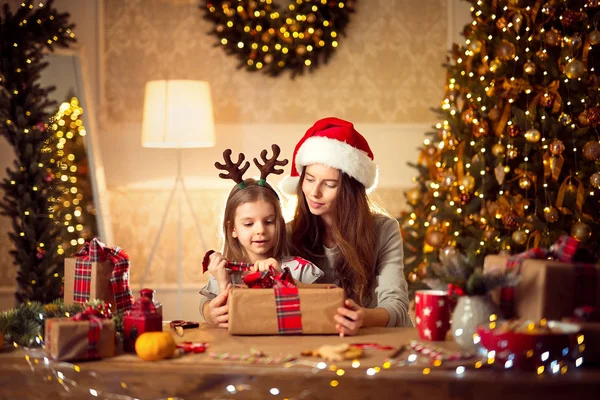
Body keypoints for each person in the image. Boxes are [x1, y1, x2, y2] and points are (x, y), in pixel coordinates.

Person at [279, 117, 413, 336]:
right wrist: (209, 309)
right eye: (310, 179)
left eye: (329, 184)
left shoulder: (384, 230)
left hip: (378, 342)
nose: (315, 192)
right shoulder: (288, 234)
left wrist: (364, 317)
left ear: (350, 191)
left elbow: (397, 307)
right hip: (315, 344)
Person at [199, 145, 323, 328]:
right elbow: (227, 319)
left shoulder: (300, 270)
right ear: (232, 228)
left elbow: (321, 308)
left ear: (280, 223)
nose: (260, 230)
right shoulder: (224, 273)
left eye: (269, 221)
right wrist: (223, 282)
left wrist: (283, 279)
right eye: (248, 224)